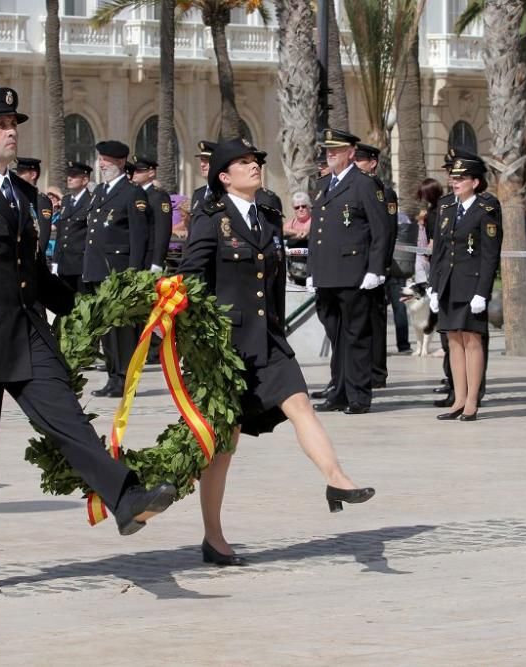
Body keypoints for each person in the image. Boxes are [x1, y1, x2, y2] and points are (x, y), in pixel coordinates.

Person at [0, 87, 179, 595]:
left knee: (69, 420)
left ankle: (125, 500)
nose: (10, 131)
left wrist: (91, 306)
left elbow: (31, 273)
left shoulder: (22, 194)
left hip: (28, 331)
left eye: (13, 122)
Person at [179, 138, 374, 565]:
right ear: (224, 177)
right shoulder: (211, 220)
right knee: (222, 448)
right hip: (226, 349)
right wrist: (193, 345)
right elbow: (190, 282)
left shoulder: (268, 216)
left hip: (267, 341)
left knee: (301, 404)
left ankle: (336, 478)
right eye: (244, 162)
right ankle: (213, 536)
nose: (254, 167)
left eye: (256, 160)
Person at [308, 129, 391, 414]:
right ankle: (339, 391)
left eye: (336, 150)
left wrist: (376, 269)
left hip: (354, 272)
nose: (330, 155)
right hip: (327, 274)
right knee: (336, 336)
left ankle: (358, 395)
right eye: (328, 151)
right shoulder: (323, 185)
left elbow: (381, 230)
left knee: (356, 335)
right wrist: (312, 270)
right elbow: (317, 233)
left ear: (351, 153)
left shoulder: (364, 184)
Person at [428, 156, 502, 421]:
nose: (455, 182)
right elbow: (439, 251)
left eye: (461, 179)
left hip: (471, 285)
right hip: (448, 283)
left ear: (475, 182)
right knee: (453, 341)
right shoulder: (446, 207)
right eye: (453, 178)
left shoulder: (486, 208)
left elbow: (490, 255)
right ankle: (458, 398)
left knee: (472, 340)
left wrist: (482, 291)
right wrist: (434, 287)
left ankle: (472, 400)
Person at [81, 140, 150, 398]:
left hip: (119, 271)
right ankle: (112, 376)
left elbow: (138, 237)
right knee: (106, 330)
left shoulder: (132, 194)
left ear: (120, 163)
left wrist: (134, 273)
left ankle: (124, 378)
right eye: (100, 160)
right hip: (98, 270)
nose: (101, 164)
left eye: (107, 161)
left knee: (122, 330)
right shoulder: (99, 191)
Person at [354, 142, 405, 373]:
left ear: (372, 163)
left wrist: (381, 266)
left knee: (375, 320)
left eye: (359, 160)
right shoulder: (353, 189)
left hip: (376, 268)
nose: (355, 165)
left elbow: (388, 231)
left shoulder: (384, 193)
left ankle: (377, 371)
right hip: (356, 266)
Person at [51, 160, 94, 292]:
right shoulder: (66, 200)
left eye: (74, 175)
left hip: (80, 264)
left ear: (85, 180)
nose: (69, 178)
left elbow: (91, 234)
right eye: (69, 175)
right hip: (64, 264)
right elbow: (61, 233)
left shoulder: (91, 201)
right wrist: (56, 261)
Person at [129, 155, 173, 274]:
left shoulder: (158, 196)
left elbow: (163, 230)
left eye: (139, 171)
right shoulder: (133, 193)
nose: (135, 174)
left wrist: (157, 261)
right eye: (134, 170)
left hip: (149, 255)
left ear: (151, 173)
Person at [14, 157, 54, 257]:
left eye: (21, 173)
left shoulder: (41, 201)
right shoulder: (17, 198)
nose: (18, 176)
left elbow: (43, 236)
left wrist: (37, 261)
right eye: (17, 172)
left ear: (33, 175)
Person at [190, 140, 217, 213]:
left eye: (207, 160)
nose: (202, 164)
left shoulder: (225, 192)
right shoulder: (198, 194)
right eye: (201, 160)